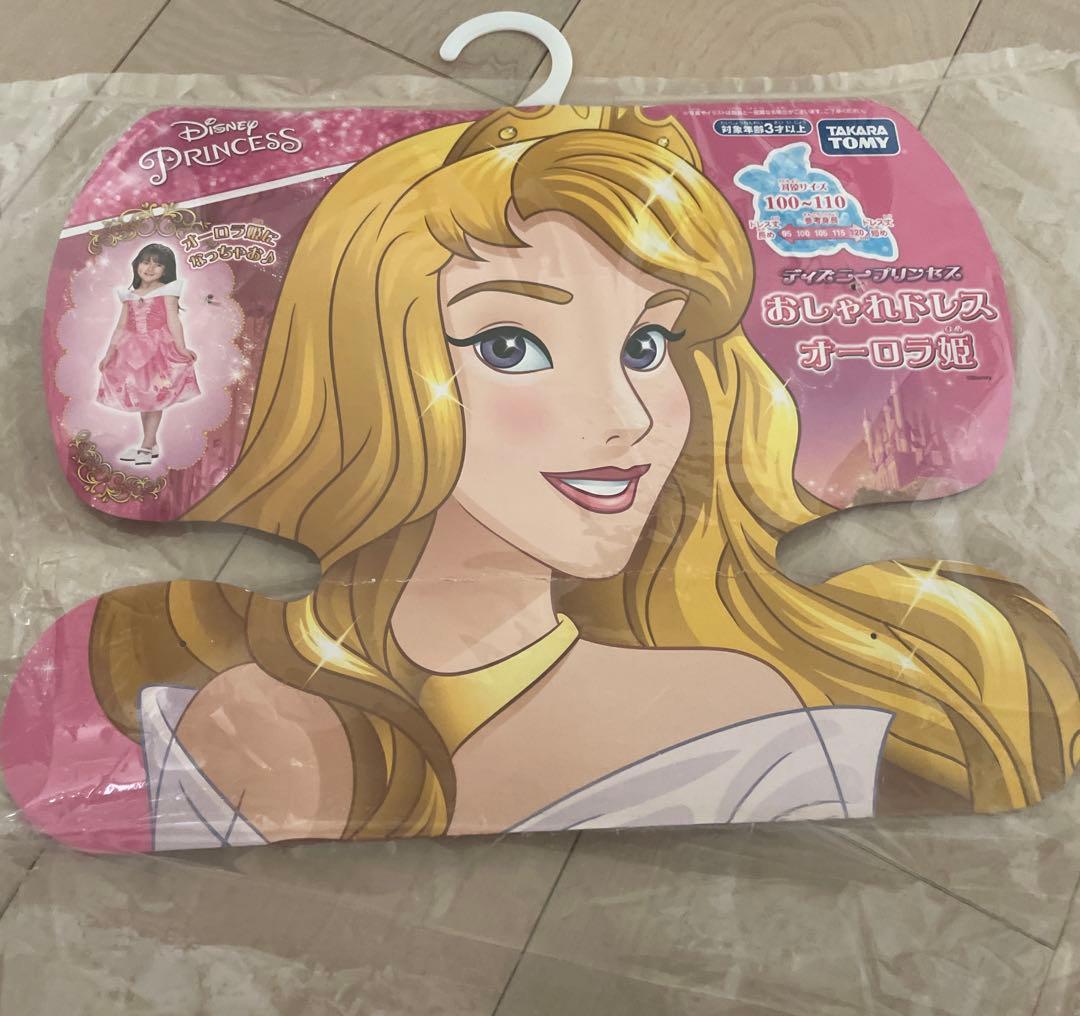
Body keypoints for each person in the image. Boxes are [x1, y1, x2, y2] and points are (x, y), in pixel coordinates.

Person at [80, 106, 1078, 849]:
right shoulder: (222, 713)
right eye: (510, 344)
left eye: (649, 346)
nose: (629, 417)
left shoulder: (736, 713)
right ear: (368, 368)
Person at [97, 242, 199, 465]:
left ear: (166, 269)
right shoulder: (129, 294)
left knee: (155, 398)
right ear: (137, 265)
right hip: (132, 353)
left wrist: (181, 347)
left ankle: (146, 445)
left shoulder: (168, 291)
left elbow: (173, 321)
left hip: (158, 351)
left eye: (157, 265)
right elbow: (121, 326)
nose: (150, 268)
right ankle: (150, 444)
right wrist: (109, 353)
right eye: (145, 262)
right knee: (144, 399)